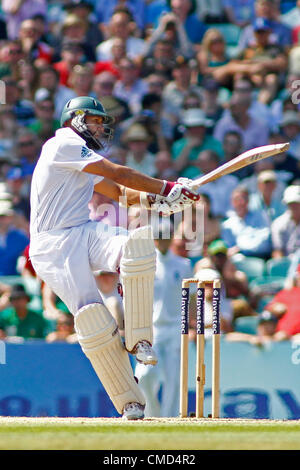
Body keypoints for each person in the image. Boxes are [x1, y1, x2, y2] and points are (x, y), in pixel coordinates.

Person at [28, 95, 200, 420]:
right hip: (53, 246)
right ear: (76, 118)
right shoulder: (61, 144)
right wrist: (166, 187)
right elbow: (117, 172)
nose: (100, 127)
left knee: (135, 246)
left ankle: (139, 340)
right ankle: (130, 401)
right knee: (93, 320)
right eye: (95, 120)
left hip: (82, 230)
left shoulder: (81, 156)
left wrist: (159, 200)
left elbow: (119, 192)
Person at [135, 223, 193, 417]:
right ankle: (152, 414)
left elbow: (191, 298)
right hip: (152, 328)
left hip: (176, 327)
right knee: (144, 375)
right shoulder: (146, 264)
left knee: (174, 378)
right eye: (159, 236)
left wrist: (191, 325)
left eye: (166, 236)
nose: (162, 240)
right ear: (153, 239)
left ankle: (170, 418)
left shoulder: (183, 265)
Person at [221, 185, 272, 259]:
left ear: (248, 200)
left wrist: (240, 248)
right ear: (231, 202)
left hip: (259, 258)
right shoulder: (227, 225)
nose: (240, 203)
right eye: (236, 199)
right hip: (236, 260)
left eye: (243, 199)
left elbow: (264, 245)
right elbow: (228, 248)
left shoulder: (261, 217)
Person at [271, 184, 300, 258]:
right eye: (291, 204)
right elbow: (277, 251)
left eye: (297, 203)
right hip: (287, 264)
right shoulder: (278, 224)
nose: (294, 206)